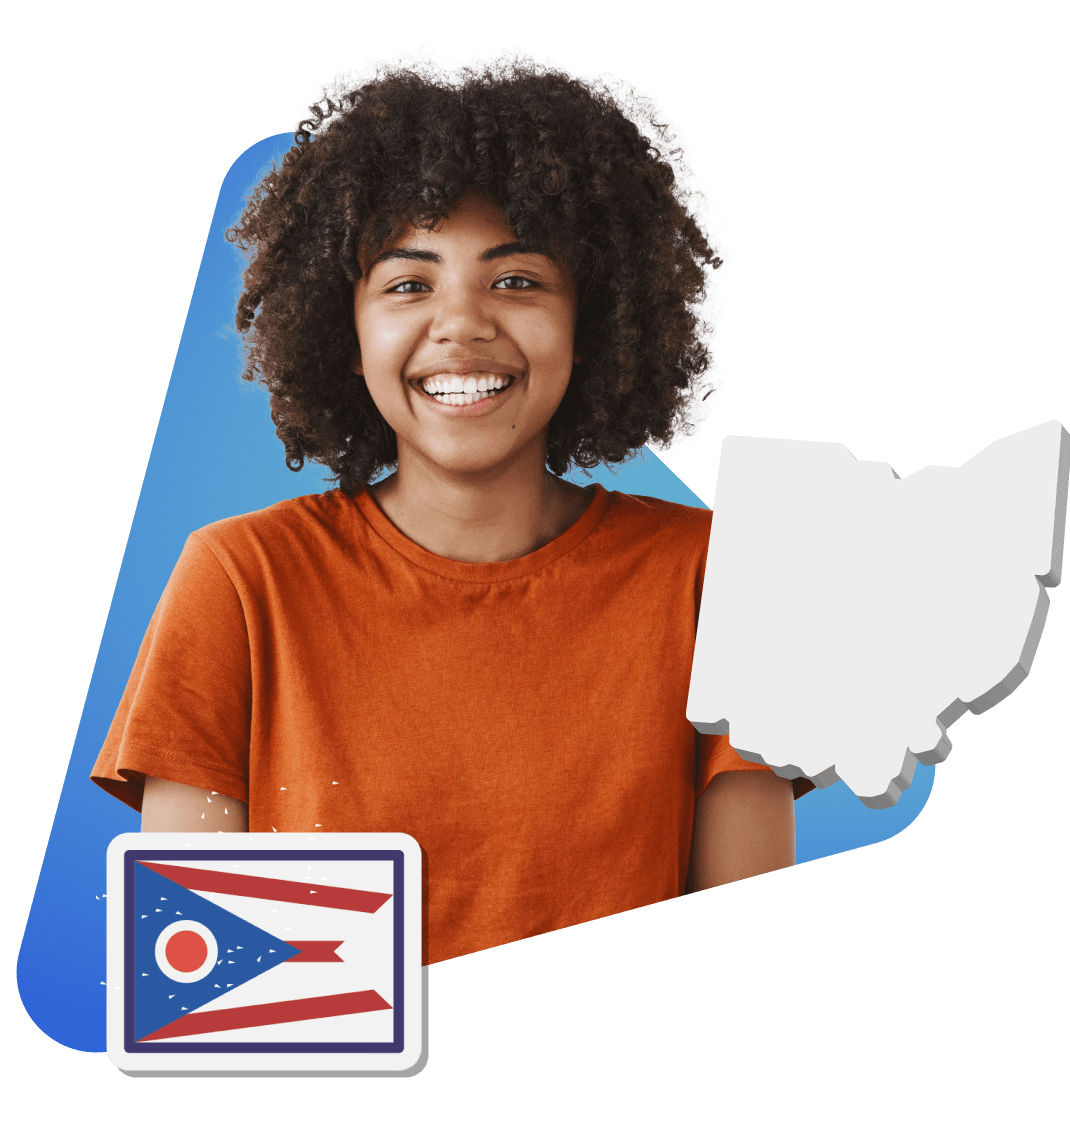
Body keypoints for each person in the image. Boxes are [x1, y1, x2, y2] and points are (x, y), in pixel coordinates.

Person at [91, 44, 811, 966]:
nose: (462, 323)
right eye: (407, 283)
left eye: (517, 280)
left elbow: (748, 972)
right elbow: (198, 987)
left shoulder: (718, 577)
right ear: (344, 329)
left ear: (592, 321)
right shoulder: (240, 582)